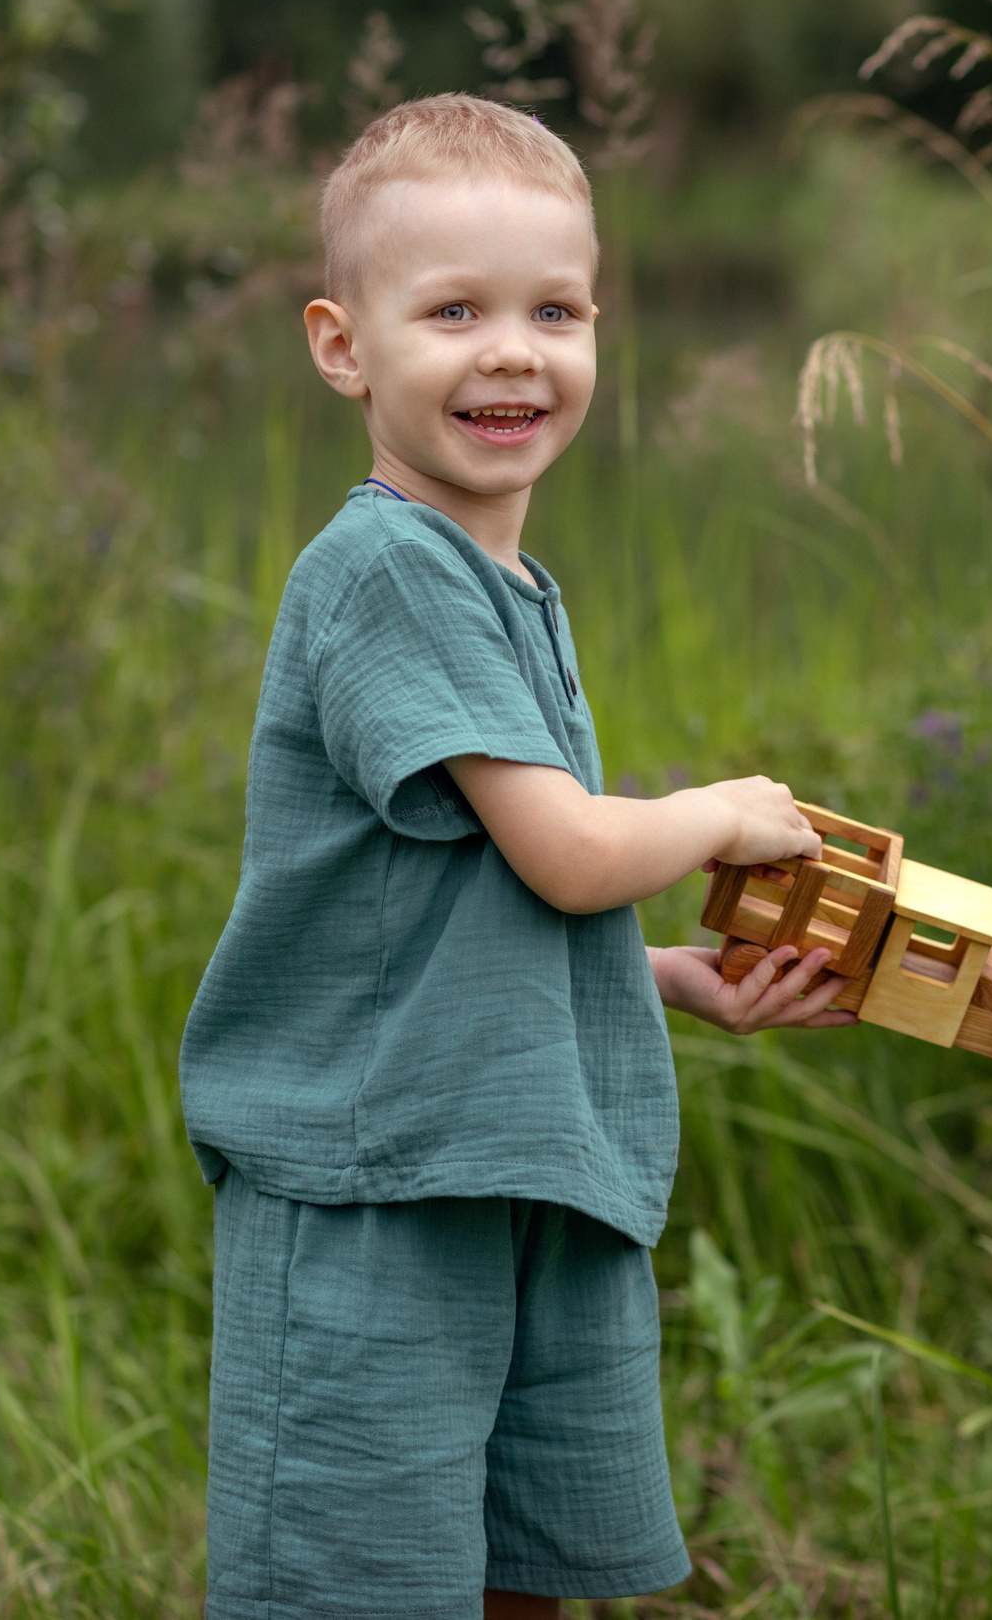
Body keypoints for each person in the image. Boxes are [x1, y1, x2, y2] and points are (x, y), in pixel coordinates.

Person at [179, 93, 853, 1618]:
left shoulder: (505, 582)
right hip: (376, 1191)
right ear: (343, 345)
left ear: (599, 329)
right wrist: (724, 814)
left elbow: (474, 899)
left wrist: (664, 978)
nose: (511, 350)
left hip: (517, 1160)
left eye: (553, 309)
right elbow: (561, 855)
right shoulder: (380, 573)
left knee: (518, 1565)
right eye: (454, 310)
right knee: (365, 1577)